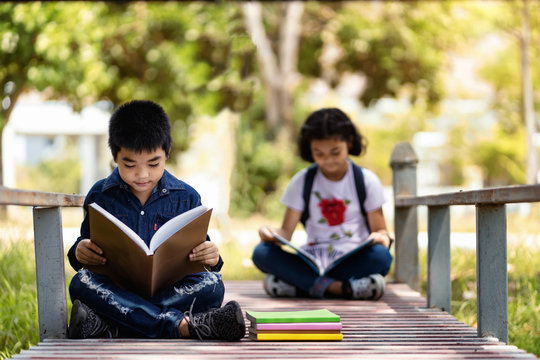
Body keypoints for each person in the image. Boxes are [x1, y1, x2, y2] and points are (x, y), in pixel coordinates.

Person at [67, 100, 245, 341]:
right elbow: (85, 244)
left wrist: (212, 256)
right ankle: (184, 326)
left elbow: (202, 254)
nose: (142, 174)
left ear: (166, 154)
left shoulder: (187, 197)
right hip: (119, 288)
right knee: (82, 282)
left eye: (153, 164)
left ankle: (113, 326)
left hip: (166, 291)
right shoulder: (101, 195)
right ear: (115, 156)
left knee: (213, 283)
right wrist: (79, 251)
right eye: (129, 164)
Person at [252, 108, 393, 300]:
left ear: (349, 142)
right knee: (262, 252)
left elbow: (381, 232)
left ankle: (302, 285)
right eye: (319, 153)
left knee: (381, 257)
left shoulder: (366, 180)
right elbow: (286, 232)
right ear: (309, 150)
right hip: (313, 260)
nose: (328, 160)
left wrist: (381, 238)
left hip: (351, 259)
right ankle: (341, 288)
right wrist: (268, 233)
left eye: (335, 152)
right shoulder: (302, 181)